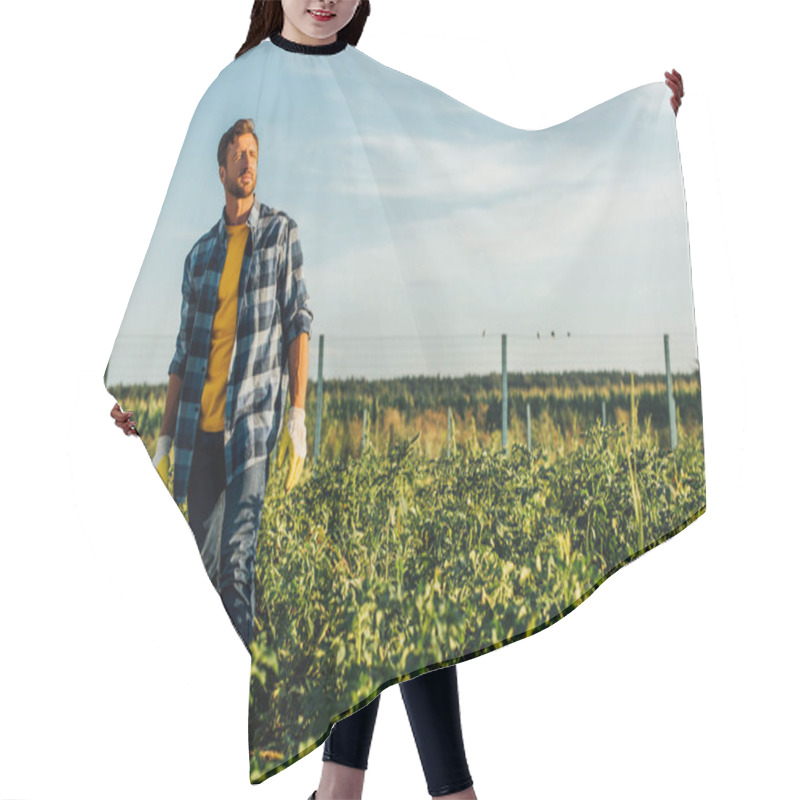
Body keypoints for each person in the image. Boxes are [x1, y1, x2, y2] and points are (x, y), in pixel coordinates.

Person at [111, 2, 685, 798]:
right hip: (229, 426)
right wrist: (149, 394)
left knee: (388, 582)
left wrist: (637, 126)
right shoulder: (234, 92)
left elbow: (489, 162)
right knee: (349, 597)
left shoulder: (374, 90)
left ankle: (363, 790)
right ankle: (392, 789)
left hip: (324, 409)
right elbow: (180, 269)